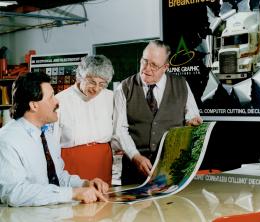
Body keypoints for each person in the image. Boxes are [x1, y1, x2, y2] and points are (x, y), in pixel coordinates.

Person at [0, 72, 109, 207]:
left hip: (51, 212)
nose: (57, 101)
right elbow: (14, 193)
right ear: (34, 105)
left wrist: (85, 184)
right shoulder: (7, 139)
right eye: (51, 97)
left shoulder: (46, 134)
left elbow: (58, 177)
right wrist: (72, 193)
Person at [113, 40, 203, 185]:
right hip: (135, 168)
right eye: (144, 61)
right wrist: (135, 156)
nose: (146, 69)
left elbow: (192, 114)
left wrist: (192, 120)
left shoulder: (181, 84)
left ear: (165, 67)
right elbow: (119, 130)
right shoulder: (124, 88)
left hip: (172, 167)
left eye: (154, 65)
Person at [54, 55, 114, 185]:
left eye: (102, 84)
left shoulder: (110, 97)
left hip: (103, 163)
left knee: (105, 202)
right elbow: (52, 142)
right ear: (80, 77)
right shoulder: (60, 100)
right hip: (72, 166)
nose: (97, 88)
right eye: (92, 82)